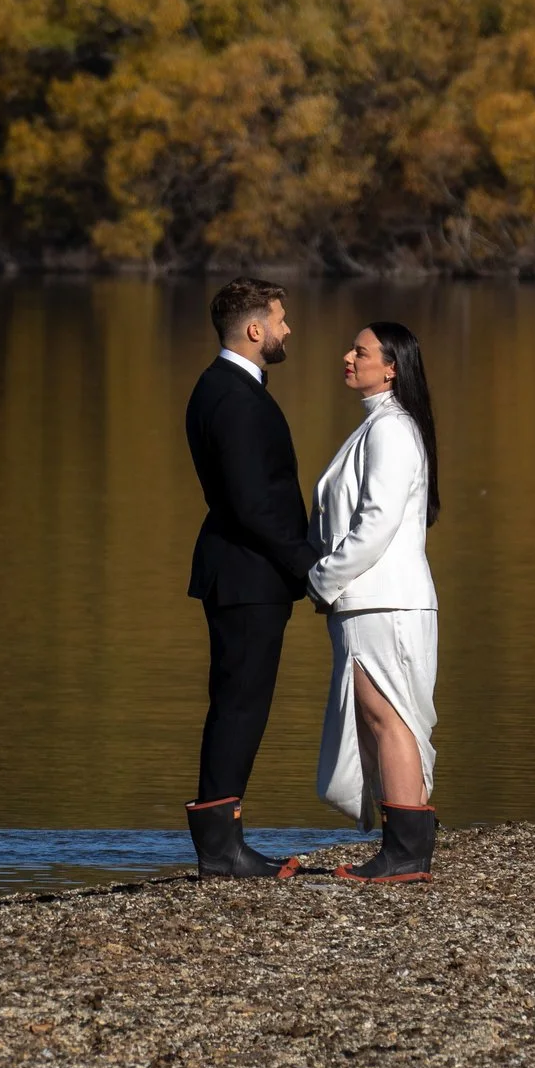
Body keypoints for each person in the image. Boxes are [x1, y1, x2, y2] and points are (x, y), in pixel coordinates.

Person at [287, 318, 441, 884]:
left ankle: (405, 853)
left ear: (392, 365)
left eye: (362, 351)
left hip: (385, 600)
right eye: (351, 348)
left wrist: (323, 577)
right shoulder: (378, 426)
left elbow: (376, 522)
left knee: (389, 718)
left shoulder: (392, 429)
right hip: (371, 600)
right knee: (382, 718)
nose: (348, 358)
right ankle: (406, 845)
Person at [183, 278, 315, 879]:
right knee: (240, 705)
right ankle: (220, 850)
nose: (288, 330)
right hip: (246, 575)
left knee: (239, 703)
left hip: (244, 573)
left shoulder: (226, 388)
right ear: (254, 329)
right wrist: (310, 565)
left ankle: (222, 842)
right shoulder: (233, 396)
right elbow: (250, 504)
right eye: (281, 319)